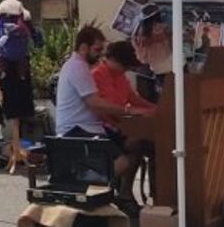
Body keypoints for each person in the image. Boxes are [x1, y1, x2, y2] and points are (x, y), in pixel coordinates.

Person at [55, 26, 155, 197]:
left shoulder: (80, 67)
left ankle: (119, 193)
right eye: (97, 49)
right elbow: (96, 104)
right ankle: (87, 189)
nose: (101, 54)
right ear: (83, 47)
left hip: (91, 128)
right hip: (78, 129)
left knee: (139, 144)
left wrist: (155, 110)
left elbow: (130, 99)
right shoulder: (79, 68)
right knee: (122, 161)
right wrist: (128, 112)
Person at [0, 0, 42, 171]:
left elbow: (37, 41)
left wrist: (28, 32)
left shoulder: (25, 19)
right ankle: (14, 151)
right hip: (6, 68)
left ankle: (18, 151)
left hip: (20, 68)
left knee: (20, 108)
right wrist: (5, 37)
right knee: (9, 108)